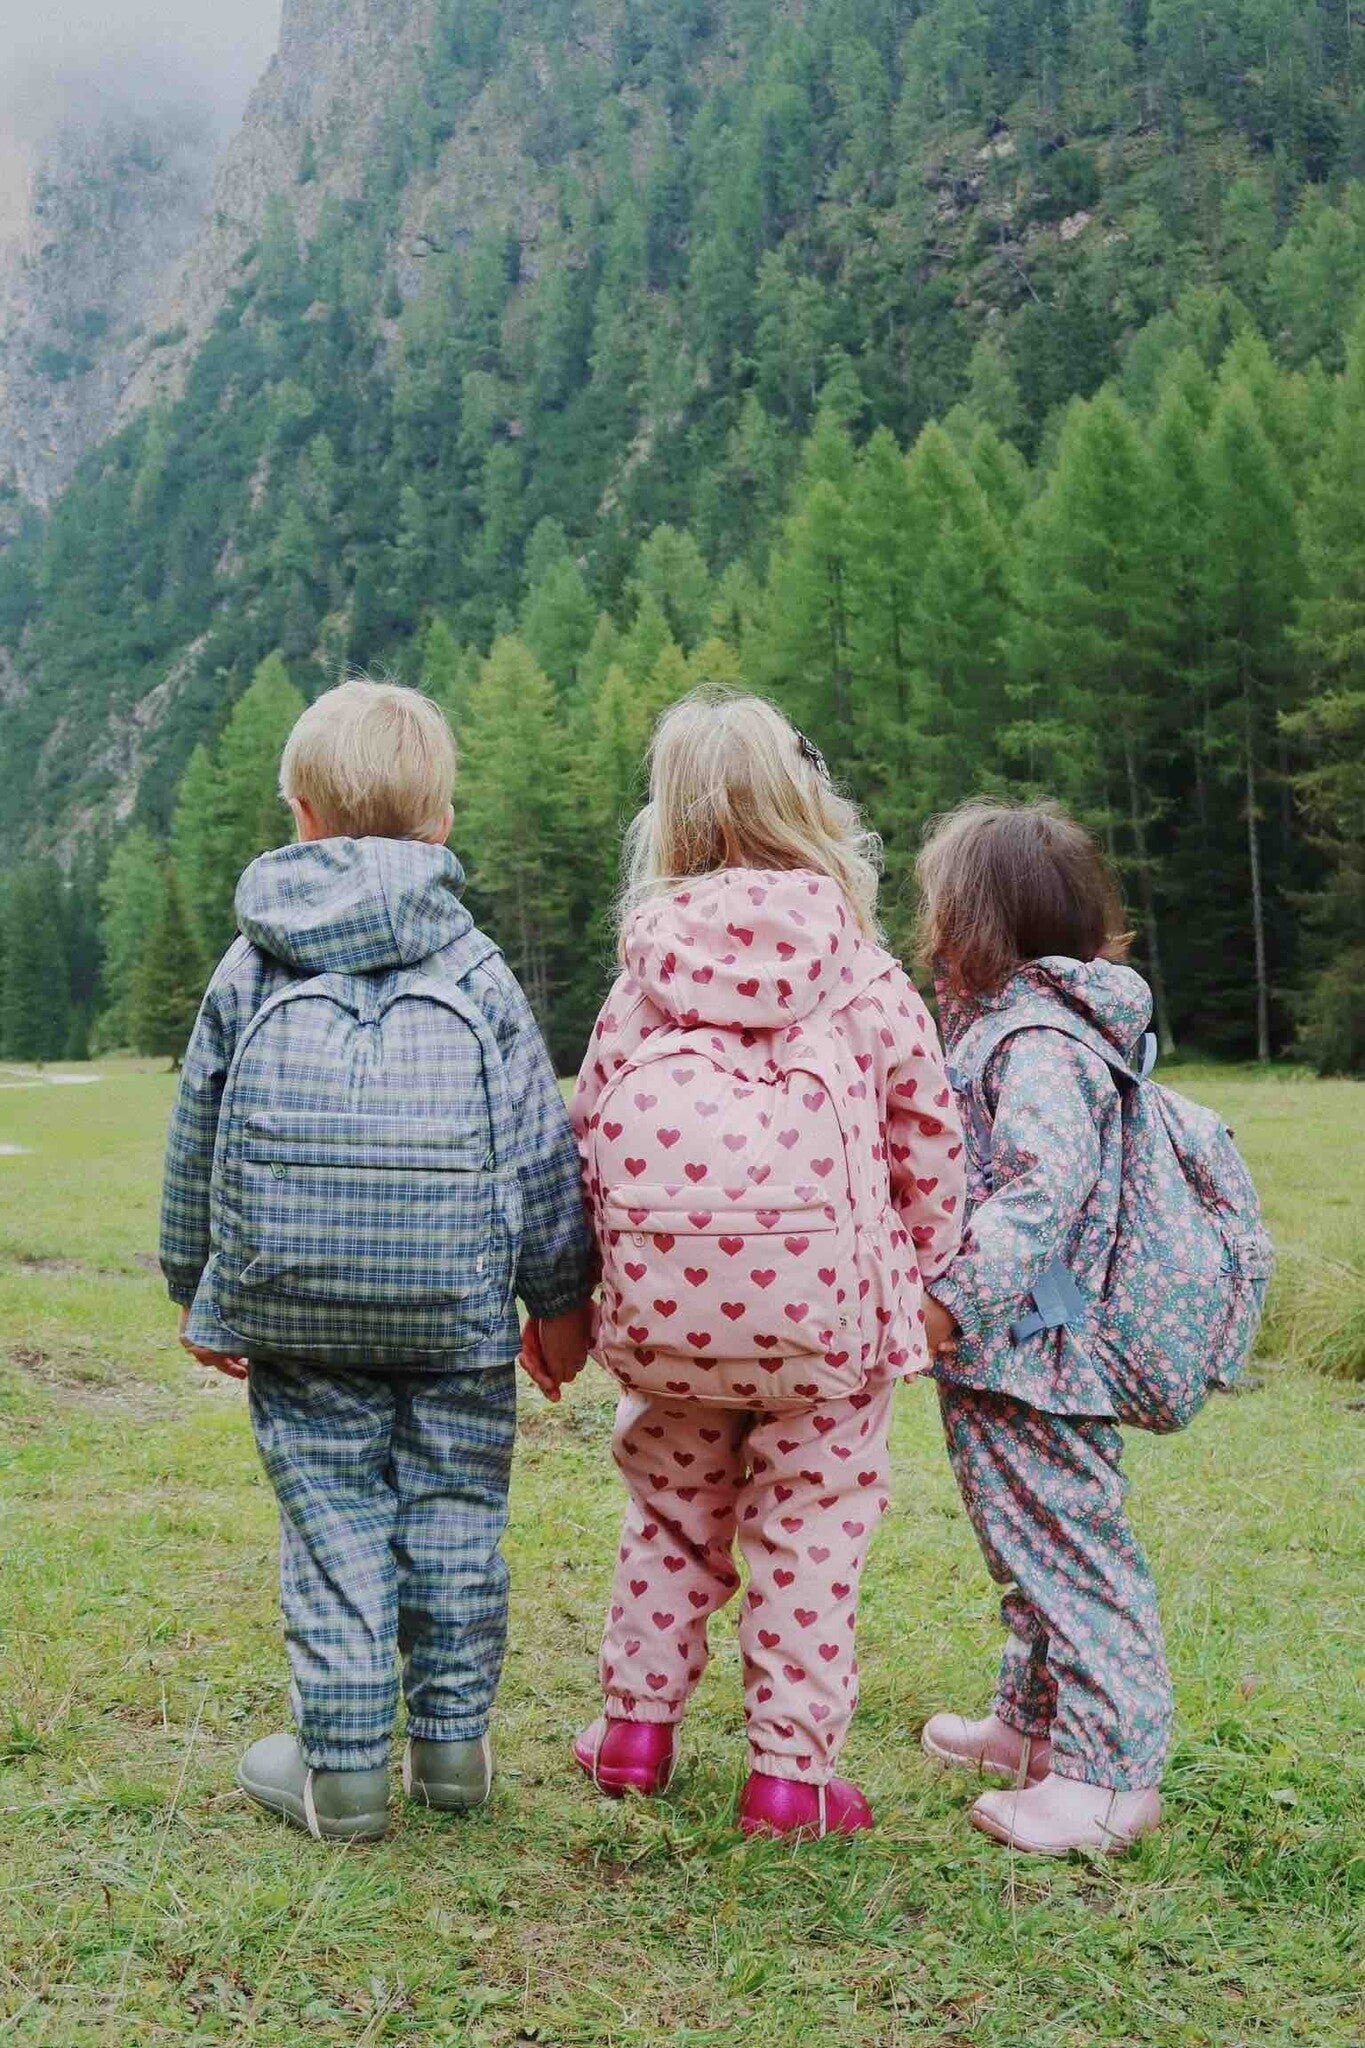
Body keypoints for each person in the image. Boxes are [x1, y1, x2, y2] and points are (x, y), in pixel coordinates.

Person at [160, 677, 593, 1841]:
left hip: (295, 1311)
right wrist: (561, 1303)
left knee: (335, 1522)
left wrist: (199, 1288)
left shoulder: (254, 962)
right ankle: (452, 1752)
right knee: (456, 1513)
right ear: (441, 822)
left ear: (299, 813)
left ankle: (343, 1771)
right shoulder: (476, 966)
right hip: (457, 1314)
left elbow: (198, 1132)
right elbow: (537, 1148)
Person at [551, 689, 965, 1838]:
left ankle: (634, 1732)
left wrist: (584, 1289)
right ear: (805, 802)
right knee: (811, 1533)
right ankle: (790, 1777)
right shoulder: (861, 969)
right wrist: (930, 1279)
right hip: (832, 1329)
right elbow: (927, 1137)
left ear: (670, 821)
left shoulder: (645, 974)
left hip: (670, 1321)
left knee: (672, 1515)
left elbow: (586, 1135)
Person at [916, 800, 1176, 1856]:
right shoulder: (1023, 1027)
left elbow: (1041, 1188)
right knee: (1027, 1542)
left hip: (1035, 1351)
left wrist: (952, 1298)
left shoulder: (1034, 1040)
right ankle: (1030, 1725)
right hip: (1018, 1348)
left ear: (974, 923)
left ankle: (1111, 1778)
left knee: (1073, 1555)